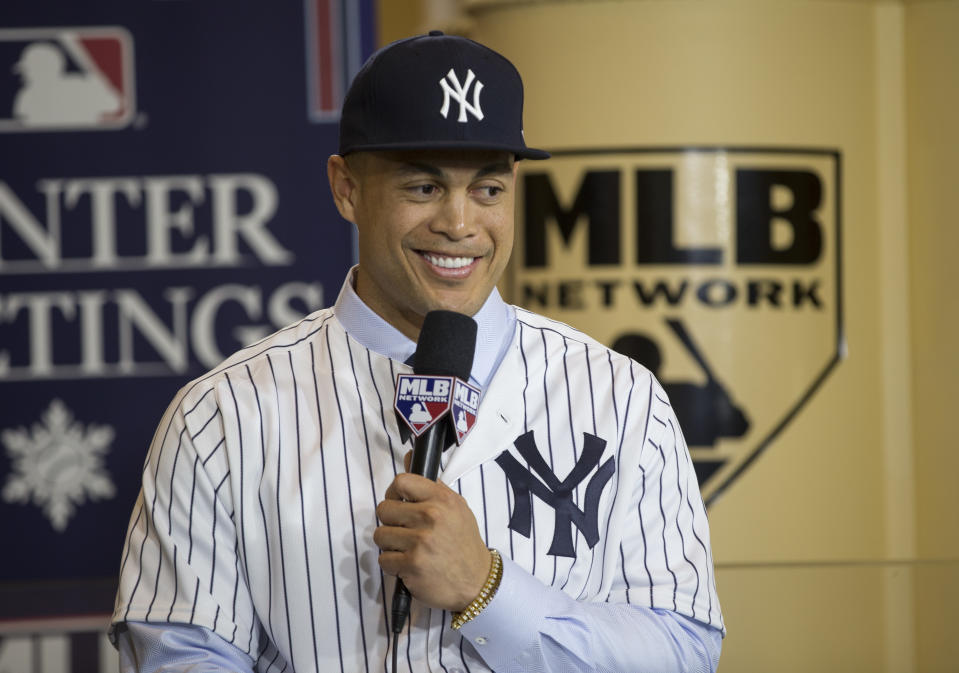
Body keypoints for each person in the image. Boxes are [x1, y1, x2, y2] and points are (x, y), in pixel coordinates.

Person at [111, 31, 724, 672]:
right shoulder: (223, 415)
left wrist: (487, 590)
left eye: (488, 189)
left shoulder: (620, 395)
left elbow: (683, 652)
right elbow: (181, 659)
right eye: (423, 187)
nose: (460, 225)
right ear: (347, 188)